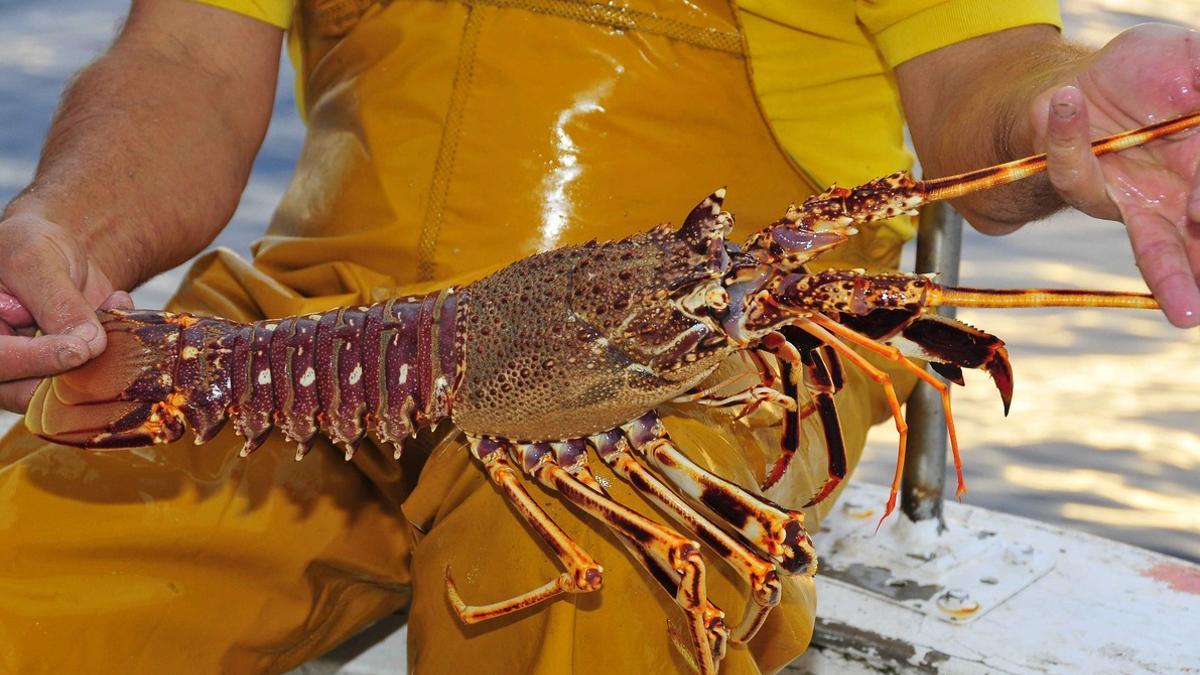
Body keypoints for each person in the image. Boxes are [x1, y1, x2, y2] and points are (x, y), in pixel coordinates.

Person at [0, 1, 1196, 673]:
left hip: (699, 377)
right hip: (316, 337)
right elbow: (185, 64)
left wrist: (1069, 109)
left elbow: (982, 81)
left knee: (600, 556)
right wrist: (60, 231)